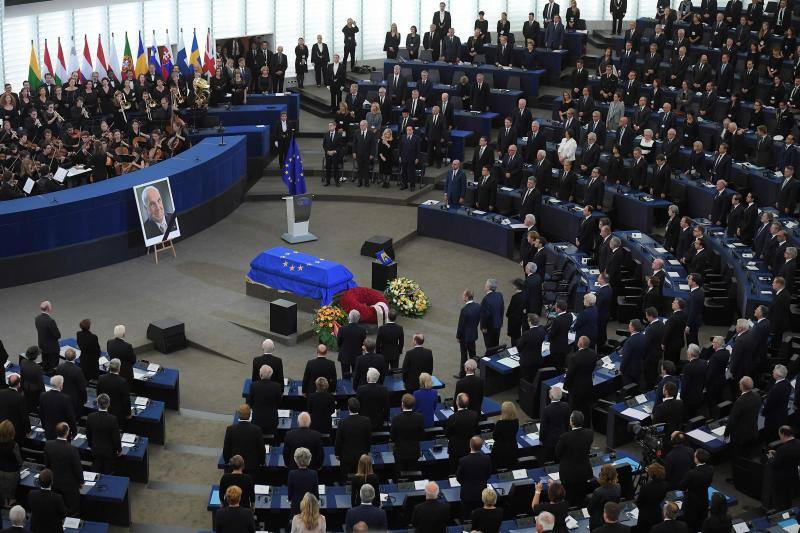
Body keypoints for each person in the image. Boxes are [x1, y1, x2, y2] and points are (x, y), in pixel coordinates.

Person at [44, 422, 83, 515]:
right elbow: (77, 468)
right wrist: (81, 481)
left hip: (54, 484)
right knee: (71, 510)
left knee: (57, 509)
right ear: (67, 432)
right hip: (70, 487)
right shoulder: (72, 449)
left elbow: (47, 465)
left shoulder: (48, 445)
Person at [556, 411, 594, 505]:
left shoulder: (564, 437)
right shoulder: (590, 434)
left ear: (571, 422)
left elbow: (558, 453)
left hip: (568, 474)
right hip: (584, 472)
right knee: (581, 496)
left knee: (568, 498)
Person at [724, 376, 763, 460]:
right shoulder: (757, 396)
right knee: (748, 453)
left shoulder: (740, 401)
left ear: (741, 386)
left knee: (738, 456)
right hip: (752, 431)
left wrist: (726, 433)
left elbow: (732, 420)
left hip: (740, 436)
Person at [334, 397, 372, 479]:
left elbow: (338, 441)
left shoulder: (342, 423)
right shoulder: (366, 421)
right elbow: (369, 439)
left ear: (348, 408)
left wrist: (337, 454)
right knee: (362, 479)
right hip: (362, 457)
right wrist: (367, 451)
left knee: (346, 479)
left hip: (347, 458)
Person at [457, 436, 492, 519]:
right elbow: (488, 475)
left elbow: (459, 477)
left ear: (470, 445)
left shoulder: (463, 460)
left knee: (466, 517)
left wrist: (465, 484)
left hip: (467, 493)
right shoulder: (486, 459)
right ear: (481, 446)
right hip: (481, 493)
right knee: (480, 516)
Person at [85, 393, 121, 474]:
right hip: (109, 452)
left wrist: (90, 445)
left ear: (97, 404)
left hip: (95, 450)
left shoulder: (90, 417)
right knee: (108, 472)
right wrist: (119, 449)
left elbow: (88, 434)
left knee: (95, 470)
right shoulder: (113, 419)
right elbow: (116, 437)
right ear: (109, 404)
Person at [223, 405, 264, 474]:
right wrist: (262, 462)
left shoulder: (230, 429)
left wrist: (227, 462)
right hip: (252, 467)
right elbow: (261, 449)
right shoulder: (257, 430)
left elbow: (226, 448)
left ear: (239, 415)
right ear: (250, 414)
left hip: (235, 467)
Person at [564, 336, 597, 422]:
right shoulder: (593, 354)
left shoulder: (575, 357)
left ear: (580, 344)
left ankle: (574, 425)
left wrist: (565, 386)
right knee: (586, 407)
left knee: (574, 409)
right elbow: (593, 367)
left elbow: (570, 374)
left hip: (576, 388)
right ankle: (586, 424)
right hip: (588, 385)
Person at [766, 425, 800, 509]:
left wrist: (770, 457)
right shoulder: (798, 443)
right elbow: (789, 456)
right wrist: (777, 453)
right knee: (788, 499)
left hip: (780, 481)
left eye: (780, 435)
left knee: (779, 502)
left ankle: (780, 513)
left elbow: (774, 465)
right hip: (793, 476)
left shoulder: (782, 449)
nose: (779, 437)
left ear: (783, 435)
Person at [391, 394, 425, 473]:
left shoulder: (396, 418)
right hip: (414, 452)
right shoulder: (419, 417)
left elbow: (392, 436)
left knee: (400, 474)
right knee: (413, 474)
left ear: (402, 404)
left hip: (400, 452)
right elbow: (422, 435)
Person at [681, 449, 714, 532]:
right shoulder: (711, 469)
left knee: (691, 524)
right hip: (704, 499)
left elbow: (683, 486)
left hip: (692, 502)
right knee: (702, 521)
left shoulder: (691, 473)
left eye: (695, 456)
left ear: (697, 459)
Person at [446, 393, 480, 471]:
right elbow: (476, 431)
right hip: (470, 447)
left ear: (457, 402)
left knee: (455, 470)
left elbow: (447, 434)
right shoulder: (474, 415)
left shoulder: (452, 418)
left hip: (455, 449)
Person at [38, 375, 76, 440]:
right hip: (63, 431)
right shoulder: (66, 398)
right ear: (61, 385)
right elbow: (70, 417)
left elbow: (41, 413)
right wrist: (74, 431)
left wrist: (44, 426)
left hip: (49, 430)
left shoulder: (43, 395)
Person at [635, 463, 671, 532]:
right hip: (657, 513)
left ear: (652, 474)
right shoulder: (665, 485)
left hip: (645, 516)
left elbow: (639, 502)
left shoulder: (645, 487)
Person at [248, 365, 283, 435]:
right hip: (272, 421)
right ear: (271, 375)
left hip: (257, 420)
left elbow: (250, 402)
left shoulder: (253, 386)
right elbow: (279, 403)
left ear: (260, 374)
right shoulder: (277, 386)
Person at [96, 358, 131, 425]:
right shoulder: (122, 382)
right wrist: (128, 413)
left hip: (103, 409)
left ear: (109, 367)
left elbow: (99, 394)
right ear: (119, 368)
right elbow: (126, 400)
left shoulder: (101, 378)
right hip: (117, 413)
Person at [763, 364, 792, 440]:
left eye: (774, 371)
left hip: (773, 420)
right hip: (783, 416)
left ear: (778, 375)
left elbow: (769, 405)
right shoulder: (787, 383)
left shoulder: (776, 389)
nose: (772, 372)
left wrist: (764, 412)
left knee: (771, 438)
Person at [588, 465, 622, 529]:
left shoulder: (598, 492)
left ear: (601, 476)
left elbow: (590, 510)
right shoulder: (618, 487)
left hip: (599, 522)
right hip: (613, 518)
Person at [287, 447, 318, 515]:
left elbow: (290, 492)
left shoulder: (292, 473)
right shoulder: (314, 473)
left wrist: (290, 499)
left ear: (296, 460)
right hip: (310, 505)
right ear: (309, 459)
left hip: (296, 505)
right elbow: (316, 492)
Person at [337, 310, 366, 378]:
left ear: (349, 318)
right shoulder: (362, 330)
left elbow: (339, 342)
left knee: (345, 376)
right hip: (357, 355)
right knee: (356, 376)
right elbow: (363, 342)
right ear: (358, 318)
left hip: (344, 355)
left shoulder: (342, 329)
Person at [517, 313, 545, 382]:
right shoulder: (542, 331)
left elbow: (519, 347)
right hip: (537, 359)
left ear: (530, 322)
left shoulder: (526, 334)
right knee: (534, 378)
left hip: (527, 361)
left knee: (526, 379)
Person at [492, 402, 520, 469]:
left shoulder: (500, 423)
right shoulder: (516, 421)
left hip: (500, 449)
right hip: (512, 447)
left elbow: (494, 437)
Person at [0, 421, 21, 508]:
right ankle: (10, 502)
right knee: (11, 494)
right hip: (12, 473)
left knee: (3, 492)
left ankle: (5, 503)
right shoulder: (14, 445)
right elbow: (19, 461)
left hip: (1, 471)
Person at [479, 279, 504, 352]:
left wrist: (483, 327)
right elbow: (502, 309)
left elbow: (484, 315)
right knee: (496, 342)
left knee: (489, 345)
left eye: (485, 284)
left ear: (488, 287)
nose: (484, 286)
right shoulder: (499, 295)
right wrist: (501, 322)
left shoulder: (486, 299)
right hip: (498, 324)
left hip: (489, 327)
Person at [35, 300, 60, 371]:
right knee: (53, 367)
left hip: (42, 345)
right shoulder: (50, 321)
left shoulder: (37, 318)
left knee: (45, 363)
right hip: (52, 348)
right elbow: (57, 335)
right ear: (48, 308)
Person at [548, 300, 572, 368]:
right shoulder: (570, 316)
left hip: (556, 347)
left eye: (555, 307)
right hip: (564, 344)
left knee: (556, 364)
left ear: (558, 309)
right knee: (561, 362)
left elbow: (552, 333)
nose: (554, 308)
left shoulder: (557, 320)